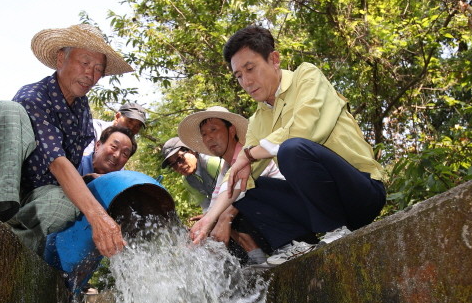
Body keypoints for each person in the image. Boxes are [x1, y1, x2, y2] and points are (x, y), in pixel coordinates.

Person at [191, 25, 387, 265]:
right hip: (317, 208)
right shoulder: (257, 119)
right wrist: (209, 219)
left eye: (250, 68)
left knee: (292, 149)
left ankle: (336, 230)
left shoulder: (307, 76)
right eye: (239, 75)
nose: (246, 81)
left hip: (360, 193)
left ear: (274, 59)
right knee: (246, 185)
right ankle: (295, 243)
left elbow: (304, 129)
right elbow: (236, 176)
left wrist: (249, 154)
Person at [0, 23, 133, 259]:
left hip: (24, 204)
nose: (90, 75)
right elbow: (56, 162)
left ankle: (6, 248)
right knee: (8, 111)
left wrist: (87, 182)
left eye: (98, 69)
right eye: (84, 63)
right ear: (61, 59)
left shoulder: (81, 110)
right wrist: (99, 217)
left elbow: (57, 178)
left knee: (67, 203)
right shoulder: (34, 96)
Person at [178, 105, 281, 265]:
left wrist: (225, 217)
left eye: (214, 129)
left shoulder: (250, 154)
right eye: (204, 134)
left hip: (289, 211)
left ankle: (282, 246)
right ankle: (254, 260)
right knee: (215, 217)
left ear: (231, 130)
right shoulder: (225, 169)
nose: (209, 138)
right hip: (269, 221)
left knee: (234, 207)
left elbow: (251, 188)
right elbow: (214, 206)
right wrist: (198, 231)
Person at [160, 137, 221, 212]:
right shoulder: (188, 181)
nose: (179, 166)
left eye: (180, 158)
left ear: (191, 151)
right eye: (173, 164)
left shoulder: (211, 163)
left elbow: (236, 188)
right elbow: (205, 205)